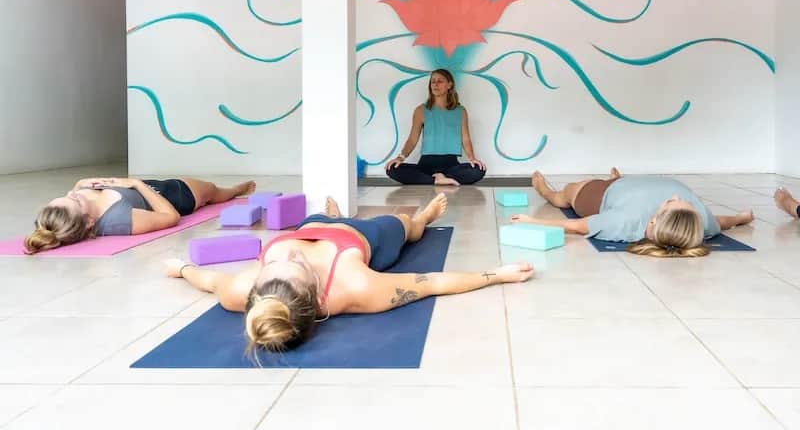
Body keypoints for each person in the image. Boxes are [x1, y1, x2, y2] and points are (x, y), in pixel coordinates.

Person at [166, 193, 534, 352]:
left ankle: (333, 211)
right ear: (315, 294)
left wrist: (182, 268)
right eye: (295, 265)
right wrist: (497, 274)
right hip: (368, 238)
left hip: (313, 225)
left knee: (319, 217)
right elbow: (431, 282)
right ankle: (424, 216)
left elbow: (210, 279)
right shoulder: (355, 287)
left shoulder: (245, 291)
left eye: (273, 261)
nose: (289, 252)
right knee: (410, 227)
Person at [510, 169, 754, 257]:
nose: (678, 197)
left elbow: (578, 226)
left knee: (568, 196)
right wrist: (740, 218)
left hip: (609, 193)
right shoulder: (701, 222)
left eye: (671, 202)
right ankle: (619, 180)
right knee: (622, 187)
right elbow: (722, 222)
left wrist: (532, 220)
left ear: (653, 220)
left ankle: (547, 192)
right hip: (635, 185)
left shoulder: (624, 222)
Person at [24, 177, 255, 254]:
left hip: (148, 187)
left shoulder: (76, 204)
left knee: (212, 189)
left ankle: (231, 189)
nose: (73, 193)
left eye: (68, 194)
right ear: (89, 222)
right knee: (213, 192)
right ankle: (235, 191)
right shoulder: (119, 220)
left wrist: (81, 185)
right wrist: (136, 183)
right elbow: (170, 216)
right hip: (173, 195)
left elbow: (77, 186)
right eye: (75, 199)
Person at [385, 69, 486, 186]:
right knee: (392, 168)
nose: (435, 84)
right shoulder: (420, 110)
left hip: (451, 166)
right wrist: (400, 158)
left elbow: (465, 139)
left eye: (440, 81)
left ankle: (433, 179)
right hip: (426, 165)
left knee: (479, 170)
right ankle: (438, 180)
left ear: (449, 85)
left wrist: (472, 159)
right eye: (433, 82)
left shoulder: (461, 111)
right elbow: (412, 139)